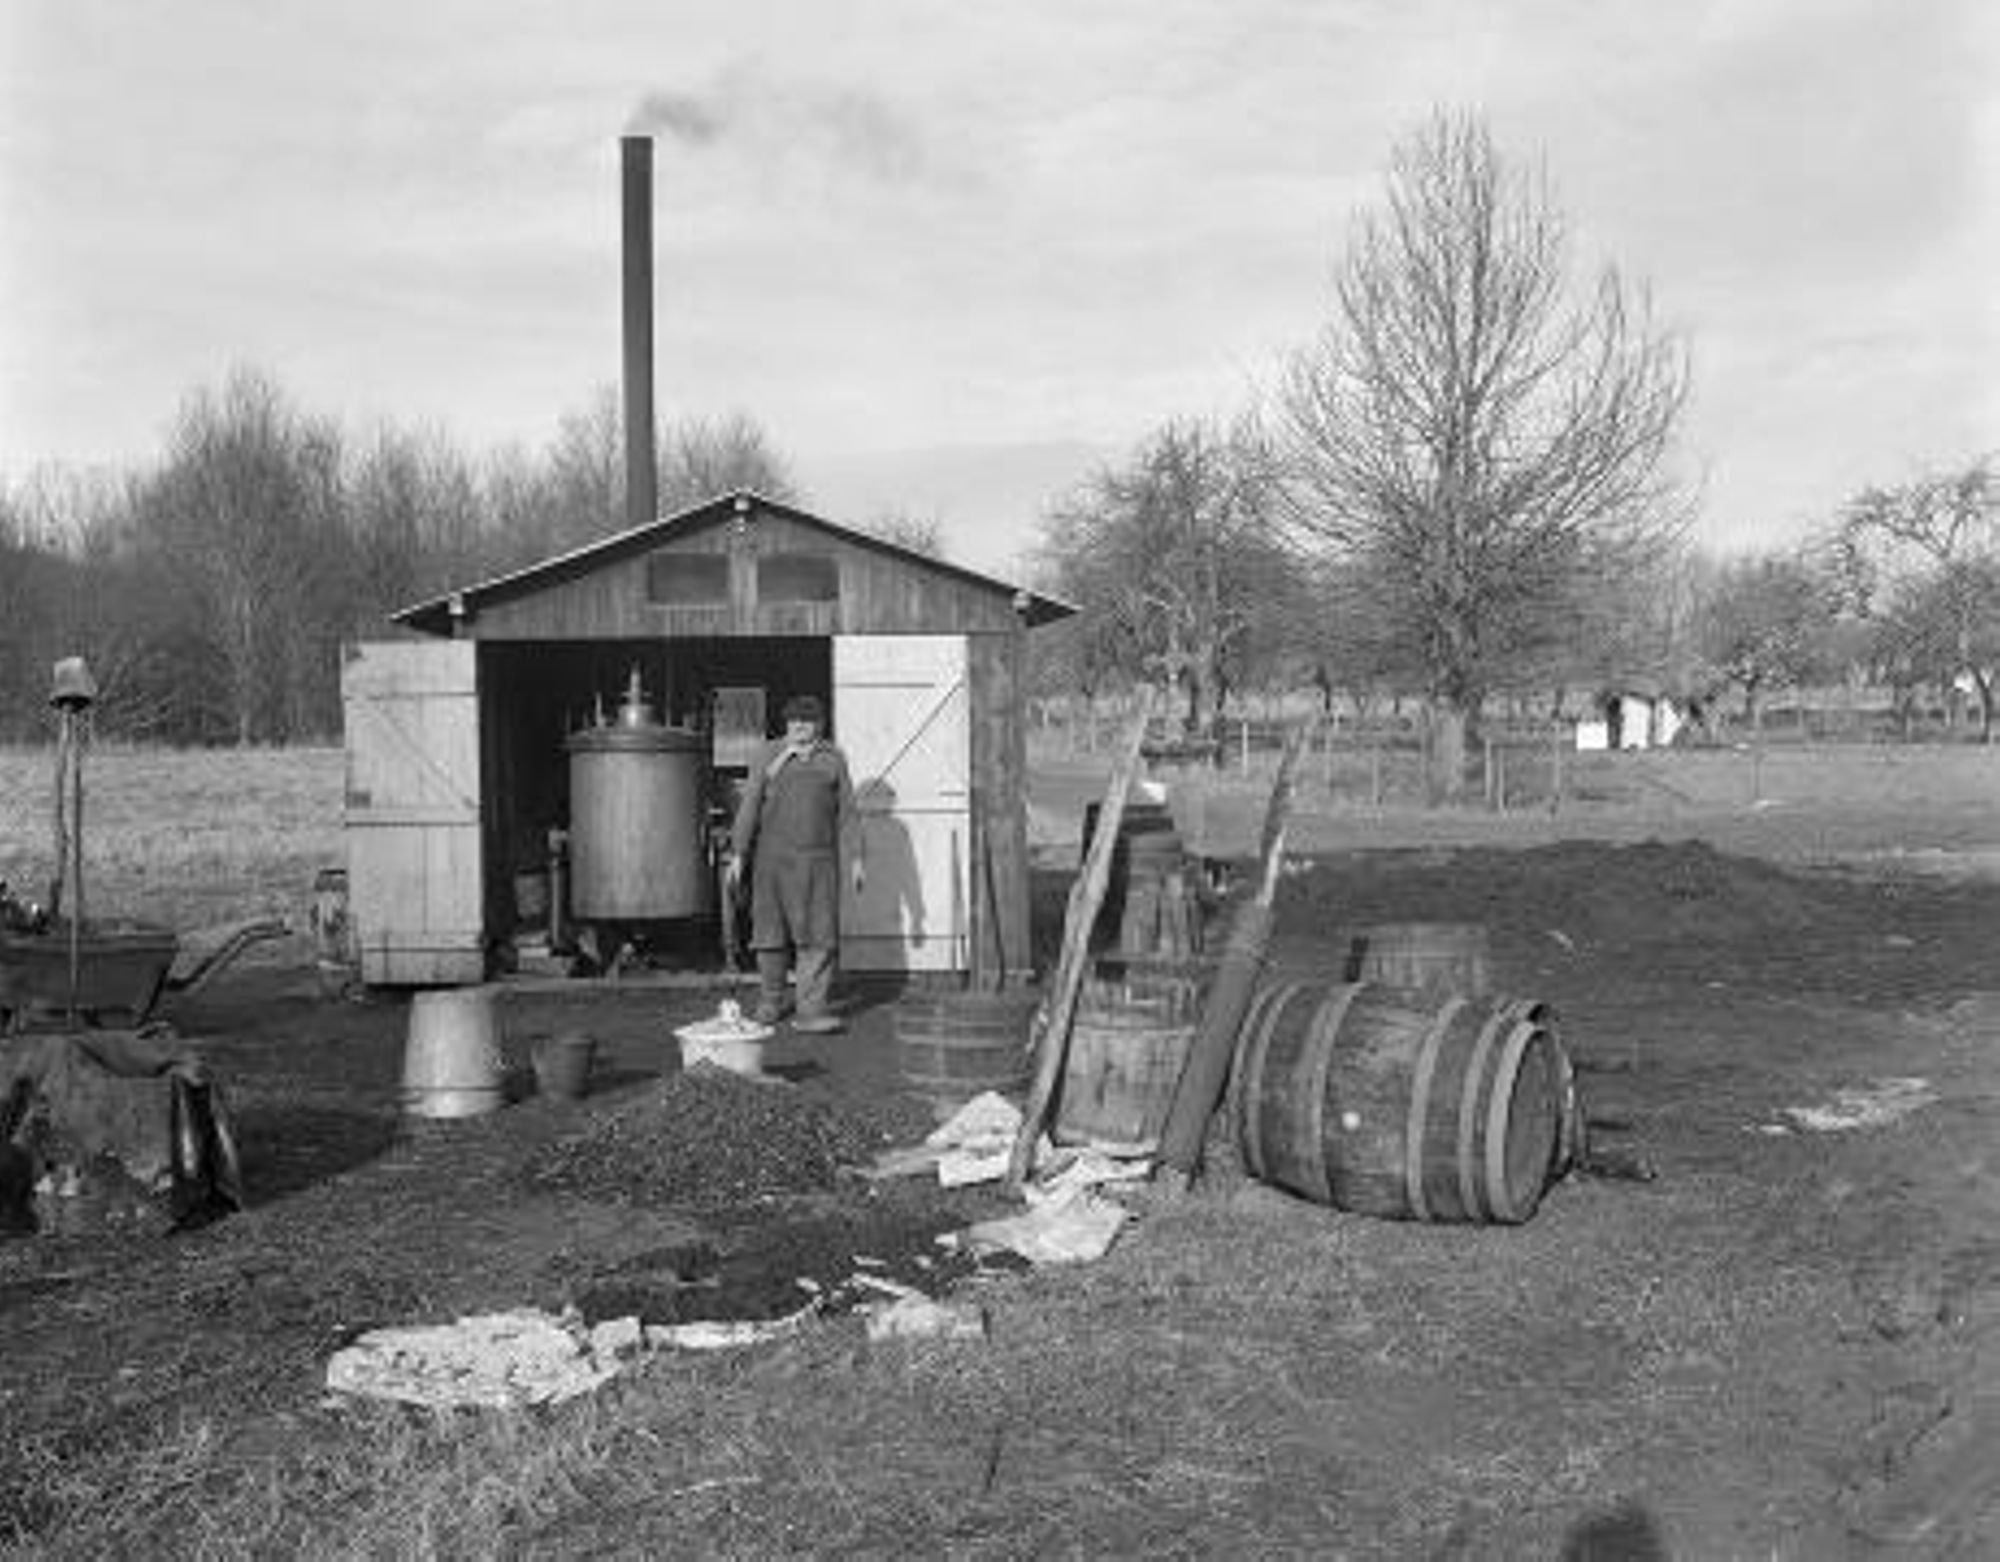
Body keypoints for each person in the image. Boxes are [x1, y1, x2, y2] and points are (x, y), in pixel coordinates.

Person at [725, 694, 866, 1032]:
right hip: (771, 861)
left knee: (817, 937)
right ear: (785, 724)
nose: (799, 727)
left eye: (807, 721)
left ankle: (810, 1011)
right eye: (793, 721)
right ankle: (770, 1001)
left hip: (818, 862)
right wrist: (739, 853)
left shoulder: (833, 759)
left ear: (820, 724)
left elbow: (847, 812)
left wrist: (858, 856)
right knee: (770, 934)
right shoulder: (767, 755)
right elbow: (750, 806)